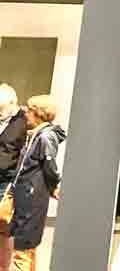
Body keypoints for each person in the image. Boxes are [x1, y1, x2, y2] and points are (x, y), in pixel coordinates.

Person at [7, 96, 65, 271]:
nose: (26, 114)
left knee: (24, 247)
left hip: (31, 197)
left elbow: (50, 166)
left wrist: (54, 185)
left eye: (29, 111)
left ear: (38, 113)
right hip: (26, 194)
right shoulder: (36, 135)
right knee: (26, 247)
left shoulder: (45, 137)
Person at [0, 85, 28, 270]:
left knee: (4, 228)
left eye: (1, 109)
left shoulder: (23, 122)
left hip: (7, 182)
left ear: (12, 104)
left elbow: (20, 155)